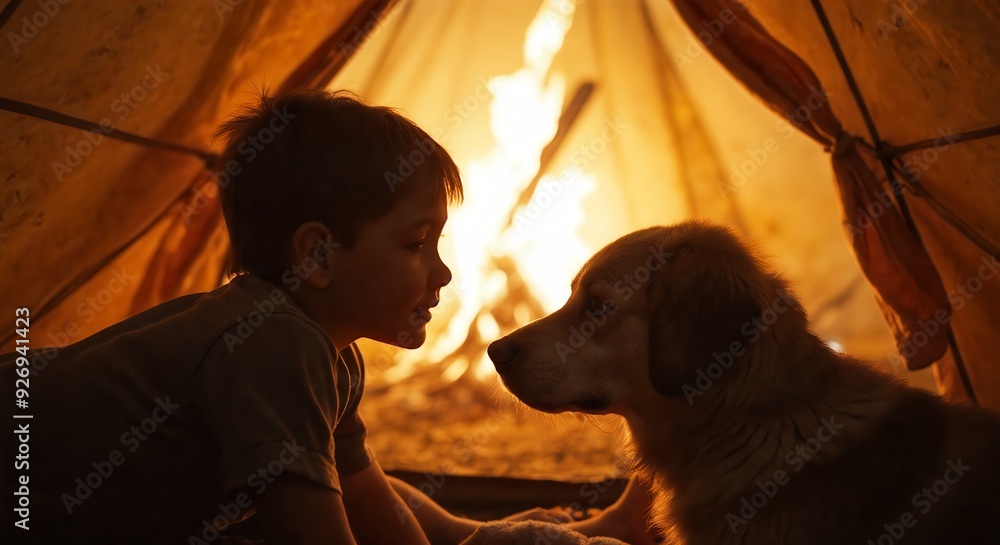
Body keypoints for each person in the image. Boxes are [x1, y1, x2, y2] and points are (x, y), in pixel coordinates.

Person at [0, 89, 653, 544]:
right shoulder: (274, 346)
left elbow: (361, 491)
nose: (442, 272)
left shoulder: (328, 350)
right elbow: (310, 529)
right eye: (414, 244)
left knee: (363, 484)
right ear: (316, 254)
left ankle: (481, 535)